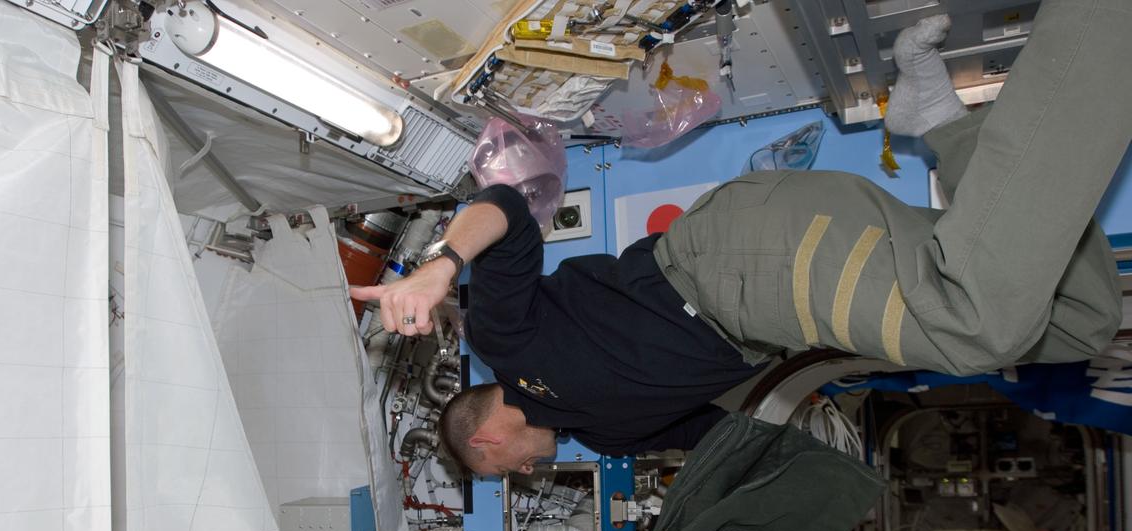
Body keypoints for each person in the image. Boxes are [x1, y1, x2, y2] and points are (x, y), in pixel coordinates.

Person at [351, 1, 1131, 477]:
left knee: (976, 324)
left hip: (731, 270)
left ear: (487, 440)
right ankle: (938, 125)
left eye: (503, 473)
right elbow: (740, 431)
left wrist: (442, 265)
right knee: (1076, 326)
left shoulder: (506, 339)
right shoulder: (610, 432)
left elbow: (511, 212)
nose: (522, 473)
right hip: (779, 314)